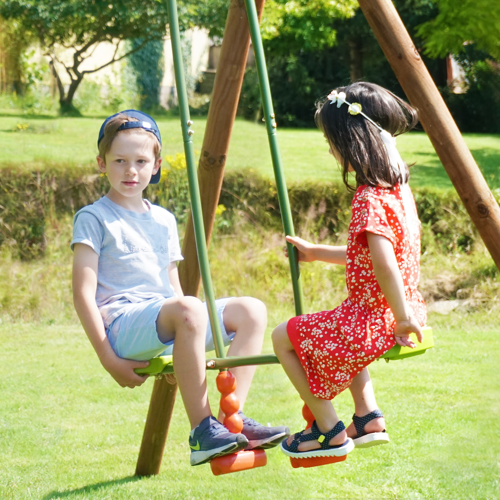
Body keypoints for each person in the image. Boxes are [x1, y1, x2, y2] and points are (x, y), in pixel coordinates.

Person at [71, 110, 289, 467]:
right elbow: (82, 293)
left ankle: (233, 419)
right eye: (120, 161)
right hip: (124, 325)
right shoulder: (94, 218)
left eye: (141, 161)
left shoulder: (163, 220)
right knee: (188, 307)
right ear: (101, 163)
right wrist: (109, 359)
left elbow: (172, 286)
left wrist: (182, 341)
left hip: (164, 316)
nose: (131, 171)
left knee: (251, 310)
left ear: (155, 165)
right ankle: (202, 431)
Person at [272, 82, 427, 460]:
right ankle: (367, 415)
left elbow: (385, 262)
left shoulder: (368, 197)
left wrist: (403, 320)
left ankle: (329, 430)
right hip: (396, 312)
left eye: (332, 141)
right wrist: (316, 253)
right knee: (339, 324)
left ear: (352, 142)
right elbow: (374, 257)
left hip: (381, 320)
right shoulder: (398, 191)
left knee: (282, 337)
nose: (330, 149)